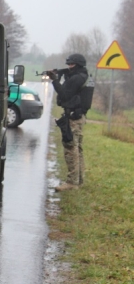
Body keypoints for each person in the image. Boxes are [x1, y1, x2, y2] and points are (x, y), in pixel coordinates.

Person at [48, 53, 89, 191]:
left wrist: (54, 80)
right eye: (68, 64)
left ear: (78, 65)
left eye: (72, 64)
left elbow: (64, 94)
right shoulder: (84, 76)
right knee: (77, 148)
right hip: (78, 116)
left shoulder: (76, 78)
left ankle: (72, 182)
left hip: (73, 117)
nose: (69, 67)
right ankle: (79, 180)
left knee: (70, 148)